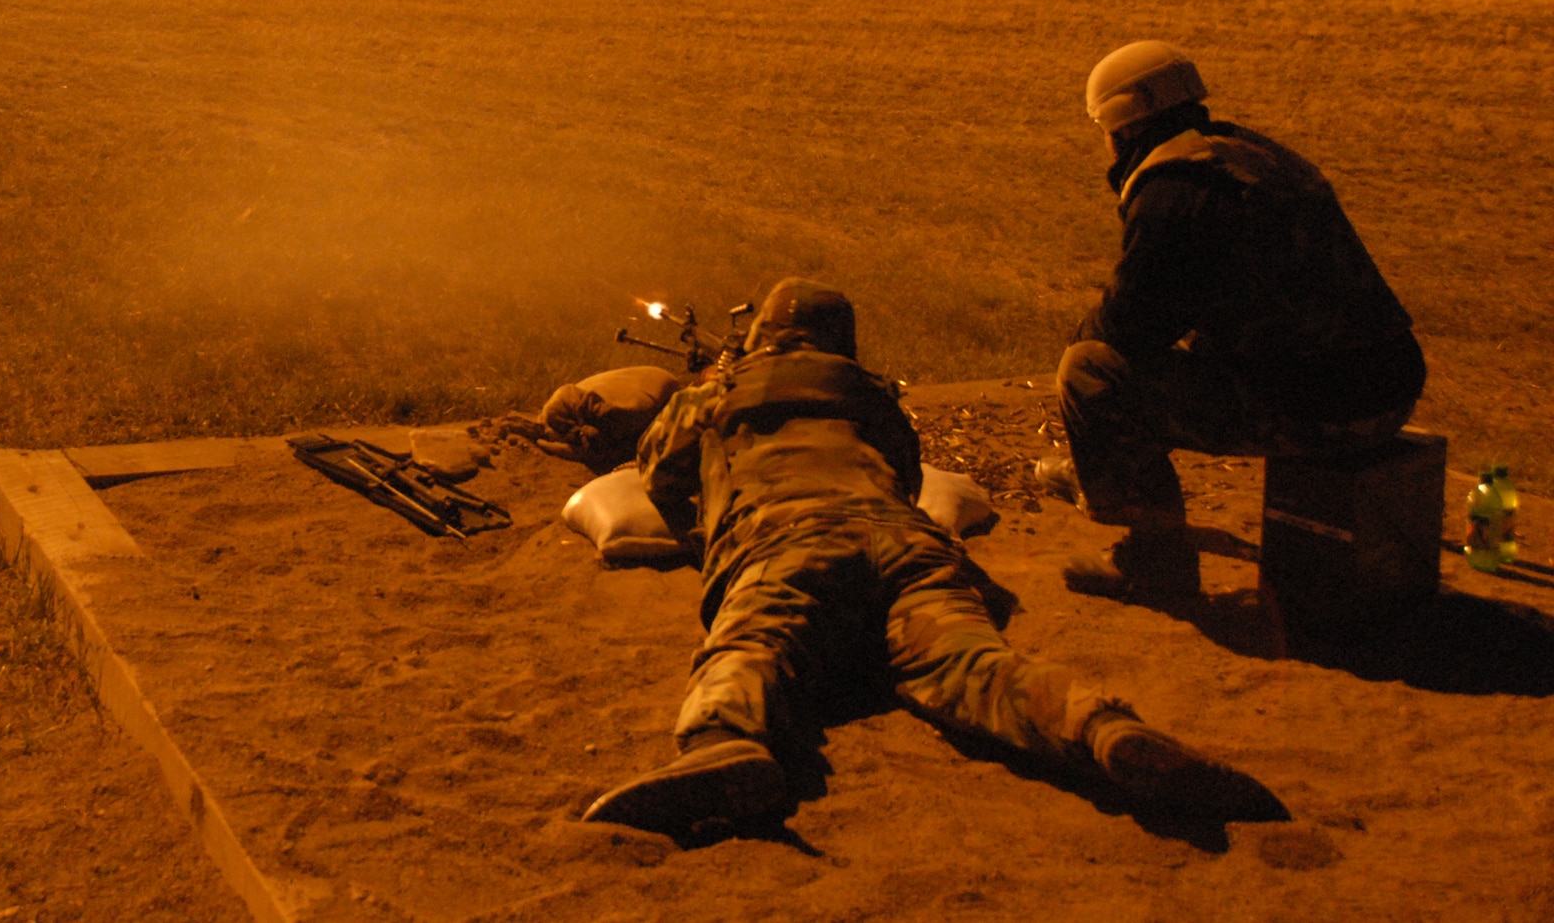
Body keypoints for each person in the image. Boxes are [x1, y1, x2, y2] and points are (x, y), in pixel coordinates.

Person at [582, 278, 1275, 837]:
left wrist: (714, 525)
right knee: (977, 666)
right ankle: (1098, 727)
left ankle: (723, 741)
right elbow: (908, 479)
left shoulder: (716, 395)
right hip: (907, 545)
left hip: (786, 542)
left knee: (752, 645)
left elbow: (659, 472)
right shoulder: (871, 397)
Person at [1039, 42, 1426, 599]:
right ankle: (1105, 483)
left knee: (1089, 370)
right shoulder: (1254, 156)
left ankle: (1153, 560)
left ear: (1120, 124)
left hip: (1324, 412)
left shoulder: (1177, 189)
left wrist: (1083, 347)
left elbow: (1128, 327)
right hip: (1389, 390)